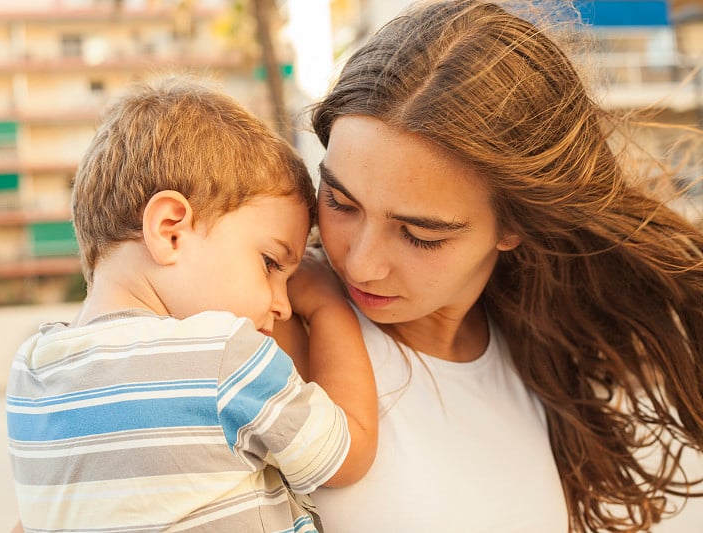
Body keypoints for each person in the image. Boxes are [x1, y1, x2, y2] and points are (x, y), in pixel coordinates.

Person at [273, 1, 703, 532]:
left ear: (512, 226)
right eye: (339, 202)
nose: (359, 265)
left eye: (420, 234)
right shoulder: (270, 337)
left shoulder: (545, 356)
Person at [6, 76, 377, 533]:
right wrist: (327, 306)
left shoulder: (30, 373)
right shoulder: (225, 356)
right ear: (169, 230)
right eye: (270, 263)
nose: (282, 304)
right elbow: (349, 452)